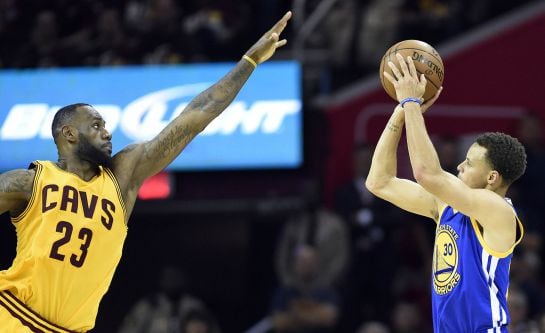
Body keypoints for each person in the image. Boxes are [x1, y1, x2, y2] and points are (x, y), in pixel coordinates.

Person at [0, 11, 292, 332]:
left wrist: (249, 61)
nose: (107, 133)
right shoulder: (30, 181)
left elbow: (195, 115)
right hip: (12, 313)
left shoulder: (122, 176)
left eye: (106, 126)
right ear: (68, 134)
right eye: (96, 126)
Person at [365, 53, 527, 332]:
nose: (460, 165)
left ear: (492, 178)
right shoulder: (447, 206)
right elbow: (379, 181)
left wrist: (412, 102)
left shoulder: (498, 211)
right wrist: (400, 113)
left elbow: (427, 174)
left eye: (470, 163)